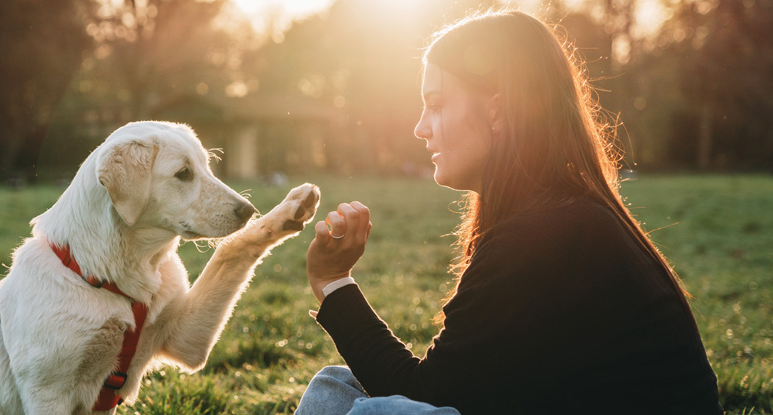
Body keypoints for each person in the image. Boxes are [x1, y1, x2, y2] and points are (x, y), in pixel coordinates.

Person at [295, 10, 722, 415]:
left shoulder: (542, 236)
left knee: (380, 410)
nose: (420, 127)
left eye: (436, 104)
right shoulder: (559, 215)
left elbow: (424, 396)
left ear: (496, 109)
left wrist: (334, 282)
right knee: (334, 387)